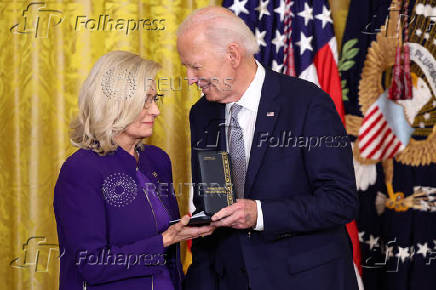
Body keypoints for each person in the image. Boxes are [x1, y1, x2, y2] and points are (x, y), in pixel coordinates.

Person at [177, 7, 359, 290]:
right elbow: (210, 205)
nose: (189, 78)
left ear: (233, 56)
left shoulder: (307, 103)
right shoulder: (201, 113)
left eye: (196, 67)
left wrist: (260, 214)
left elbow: (340, 201)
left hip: (305, 280)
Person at [53, 51, 214, 290]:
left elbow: (170, 256)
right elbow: (92, 265)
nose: (156, 111)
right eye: (145, 101)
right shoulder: (81, 170)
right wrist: (166, 240)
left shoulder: (157, 160)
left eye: (155, 98)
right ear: (114, 103)